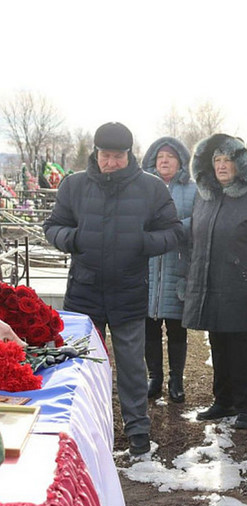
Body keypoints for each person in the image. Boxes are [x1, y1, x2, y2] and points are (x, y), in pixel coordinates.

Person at [44, 122, 183, 455]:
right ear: (96, 153)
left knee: (133, 367)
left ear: (128, 155)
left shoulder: (151, 189)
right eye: (105, 155)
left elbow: (174, 231)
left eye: (117, 156)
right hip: (84, 292)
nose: (110, 162)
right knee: (80, 365)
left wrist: (143, 242)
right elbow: (52, 226)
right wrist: (74, 238)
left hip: (129, 290)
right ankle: (82, 430)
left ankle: (137, 431)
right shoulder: (74, 186)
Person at [182, 134, 247, 430]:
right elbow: (194, 241)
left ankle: (246, 406)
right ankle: (223, 400)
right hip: (209, 282)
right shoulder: (205, 194)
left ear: (240, 162)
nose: (222, 166)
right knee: (217, 342)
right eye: (216, 160)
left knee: (239, 345)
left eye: (228, 159)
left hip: (241, 285)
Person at [141, 137, 197, 403]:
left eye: (170, 157)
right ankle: (155, 377)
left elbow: (198, 221)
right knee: (149, 327)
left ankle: (176, 379)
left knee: (177, 328)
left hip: (178, 267)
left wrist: (171, 230)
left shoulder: (192, 190)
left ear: (180, 162)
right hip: (148, 267)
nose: (164, 161)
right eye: (160, 156)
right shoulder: (141, 187)